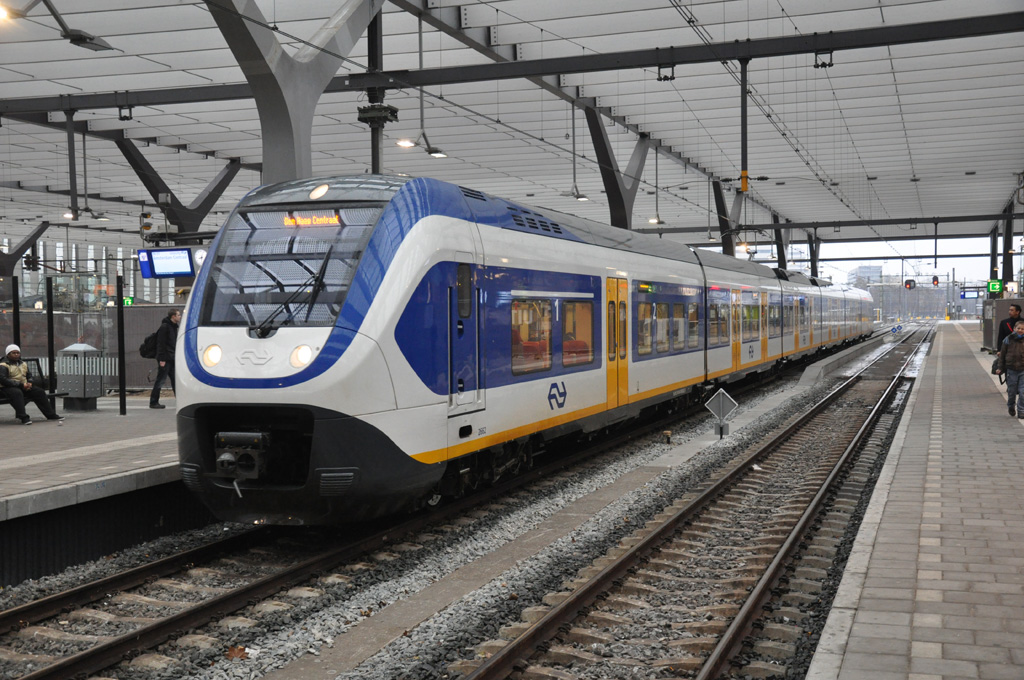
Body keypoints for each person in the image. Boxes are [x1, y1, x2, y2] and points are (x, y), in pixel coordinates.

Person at [0, 344, 63, 424]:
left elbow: (29, 375)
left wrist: (29, 383)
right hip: (6, 388)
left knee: (39, 392)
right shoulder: (3, 365)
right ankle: (23, 417)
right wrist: (21, 385)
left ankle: (51, 415)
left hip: (23, 386)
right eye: (13, 353)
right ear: (8, 354)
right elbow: (3, 380)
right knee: (17, 393)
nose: (16, 355)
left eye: (17, 353)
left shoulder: (23, 364)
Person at [150, 309, 181, 409]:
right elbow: (161, 344)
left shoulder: (174, 327)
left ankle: (180, 401)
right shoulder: (165, 327)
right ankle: (153, 402)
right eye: (178, 315)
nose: (180, 317)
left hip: (171, 358)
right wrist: (162, 359)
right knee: (160, 380)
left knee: (175, 380)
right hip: (166, 359)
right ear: (173, 316)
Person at [996, 320, 1024, 418]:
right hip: (1011, 370)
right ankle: (1011, 405)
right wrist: (1000, 367)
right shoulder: (1008, 340)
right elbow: (1002, 355)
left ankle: (1021, 411)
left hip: (1023, 370)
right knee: (1012, 391)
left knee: (1022, 392)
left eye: (1023, 329)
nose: (1020, 330)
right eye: (1018, 328)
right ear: (1014, 329)